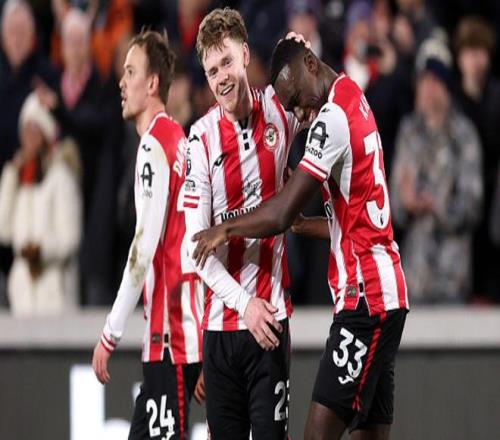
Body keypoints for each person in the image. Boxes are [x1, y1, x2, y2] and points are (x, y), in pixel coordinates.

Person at [192, 38, 409, 440]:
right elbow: (352, 221)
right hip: (386, 294)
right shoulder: (352, 95)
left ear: (311, 63)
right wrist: (304, 225)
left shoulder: (331, 118)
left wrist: (225, 228)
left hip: (365, 300)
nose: (300, 114)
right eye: (290, 107)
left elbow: (279, 212)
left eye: (297, 101)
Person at [184, 8, 304, 439]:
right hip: (222, 329)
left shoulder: (280, 110)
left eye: (227, 62)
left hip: (270, 325)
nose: (221, 78)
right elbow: (195, 250)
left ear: (246, 55)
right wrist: (244, 304)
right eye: (212, 70)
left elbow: (322, 93)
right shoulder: (200, 140)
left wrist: (304, 53)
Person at [91, 30, 204, 440]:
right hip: (185, 330)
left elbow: (143, 249)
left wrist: (111, 332)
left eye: (131, 71)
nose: (122, 82)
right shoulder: (180, 140)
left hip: (171, 336)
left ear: (152, 83)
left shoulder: (154, 147)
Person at [390, 37, 483, 304]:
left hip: (452, 276)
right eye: (423, 82)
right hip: (415, 276)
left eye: (434, 82)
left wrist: (436, 205)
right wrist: (405, 203)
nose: (427, 90)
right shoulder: (408, 131)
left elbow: (472, 206)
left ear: (446, 87)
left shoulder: (464, 135)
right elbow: (393, 203)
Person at [0, 92, 82, 316]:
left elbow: (71, 237)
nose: (29, 138)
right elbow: (4, 231)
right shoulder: (18, 179)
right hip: (23, 294)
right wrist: (11, 176)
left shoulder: (60, 177)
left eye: (35, 130)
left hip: (53, 290)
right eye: (26, 130)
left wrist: (41, 250)